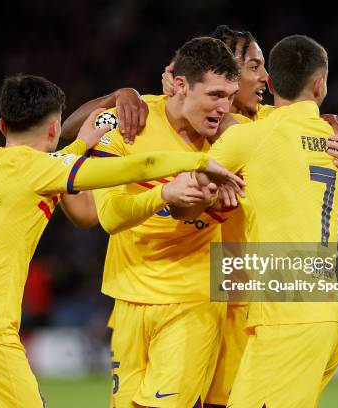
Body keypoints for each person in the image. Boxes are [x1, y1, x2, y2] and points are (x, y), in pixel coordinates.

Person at [0, 74, 242, 408]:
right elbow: (141, 166)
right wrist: (200, 162)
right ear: (54, 128)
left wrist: (80, 144)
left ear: (1, 126)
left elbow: (41, 170)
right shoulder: (39, 170)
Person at [85, 36, 241, 408]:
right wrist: (117, 94)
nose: (224, 107)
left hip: (194, 302)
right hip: (128, 300)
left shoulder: (233, 141)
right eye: (216, 95)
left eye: (231, 96)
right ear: (181, 86)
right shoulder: (128, 119)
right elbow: (108, 215)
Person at [205, 35, 338, 408]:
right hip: (326, 316)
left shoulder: (253, 137)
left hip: (288, 321)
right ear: (320, 85)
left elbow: (193, 182)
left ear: (270, 82)